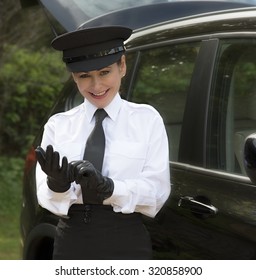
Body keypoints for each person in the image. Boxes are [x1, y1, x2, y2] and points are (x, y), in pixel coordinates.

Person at [35, 25, 171, 260]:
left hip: (127, 241)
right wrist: (57, 185)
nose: (96, 86)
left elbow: (157, 193)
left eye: (105, 72)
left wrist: (109, 187)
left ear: (122, 66)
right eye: (85, 76)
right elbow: (45, 198)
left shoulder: (147, 120)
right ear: (74, 77)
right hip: (72, 241)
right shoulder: (58, 126)